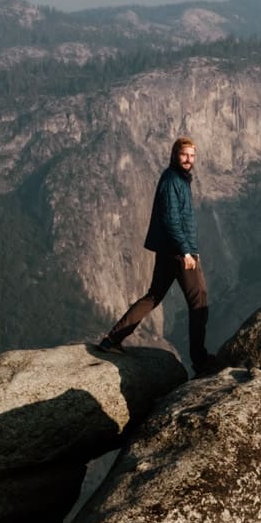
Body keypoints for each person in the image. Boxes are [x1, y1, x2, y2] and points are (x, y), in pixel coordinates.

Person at [97, 135, 215, 374]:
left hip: (173, 251)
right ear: (175, 155)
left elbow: (180, 219)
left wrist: (194, 250)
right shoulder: (172, 180)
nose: (188, 160)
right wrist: (186, 252)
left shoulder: (178, 179)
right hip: (178, 253)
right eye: (184, 155)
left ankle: (112, 340)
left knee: (153, 296)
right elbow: (171, 220)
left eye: (192, 156)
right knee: (199, 301)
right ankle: (200, 360)